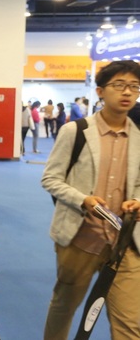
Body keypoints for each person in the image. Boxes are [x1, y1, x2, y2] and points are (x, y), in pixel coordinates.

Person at [41, 61, 140, 340]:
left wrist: (137, 200)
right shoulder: (76, 131)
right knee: (64, 308)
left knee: (130, 324)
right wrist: (83, 200)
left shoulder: (139, 138)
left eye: (134, 87)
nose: (127, 92)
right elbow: (51, 179)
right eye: (119, 85)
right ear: (100, 91)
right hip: (80, 238)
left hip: (126, 242)